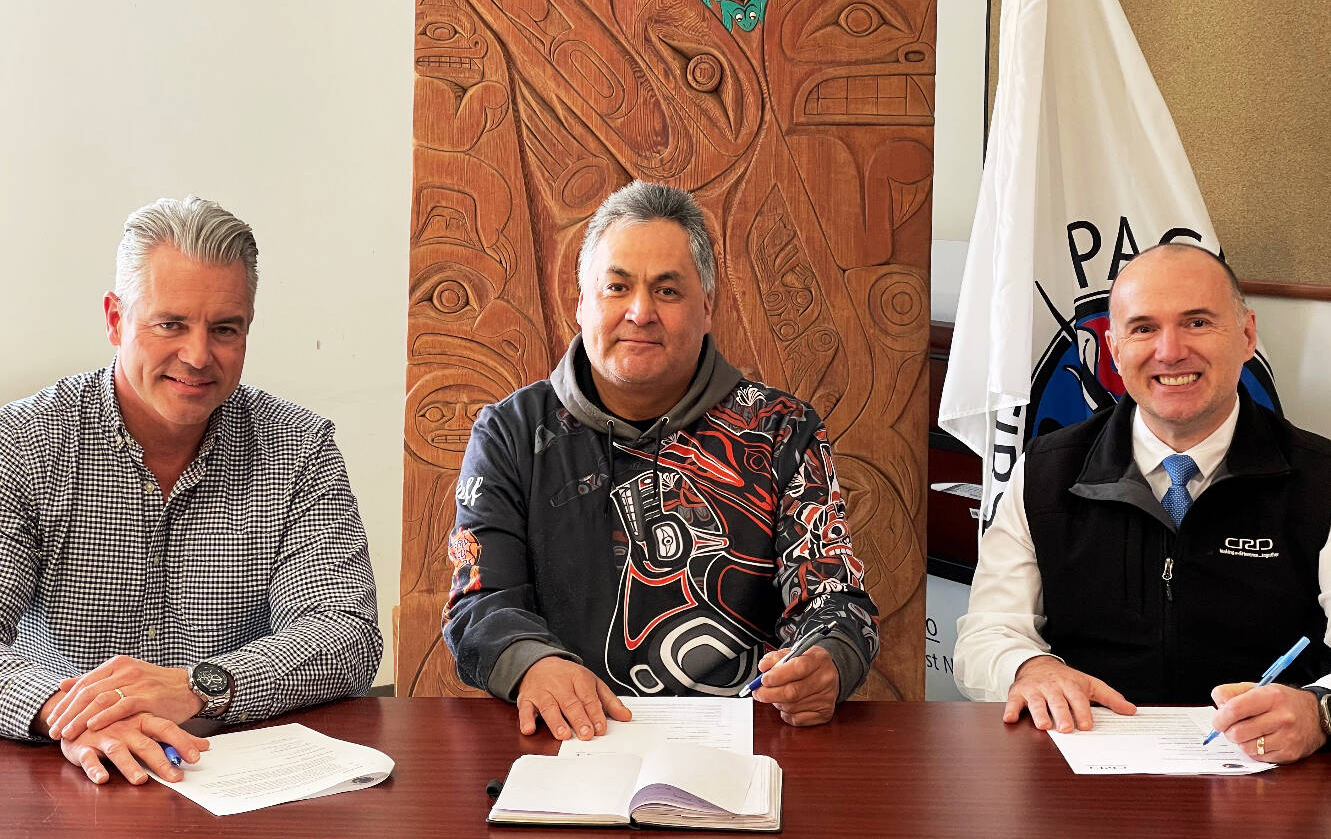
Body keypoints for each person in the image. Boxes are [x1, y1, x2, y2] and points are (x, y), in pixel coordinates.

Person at [443, 181, 879, 741]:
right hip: (567, 741)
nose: (640, 312)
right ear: (581, 304)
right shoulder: (512, 432)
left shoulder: (781, 429)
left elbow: (836, 596)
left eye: (668, 291)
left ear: (707, 310)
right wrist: (534, 664)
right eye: (616, 287)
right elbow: (477, 602)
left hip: (744, 743)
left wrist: (827, 660)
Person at [0, 196, 382, 784]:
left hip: (251, 774)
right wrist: (67, 710)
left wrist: (200, 687)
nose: (199, 355)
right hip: (75, 772)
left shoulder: (299, 446)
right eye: (170, 324)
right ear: (114, 320)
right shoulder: (25, 442)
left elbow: (346, 636)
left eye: (224, 329)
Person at [953, 243, 1331, 764]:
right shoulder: (1045, 469)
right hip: (1080, 771)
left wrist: (1320, 709)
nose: (1170, 351)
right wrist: (1027, 668)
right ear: (1113, 349)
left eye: (1197, 322)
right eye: (1143, 328)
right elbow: (985, 636)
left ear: (1246, 335)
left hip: (1269, 774)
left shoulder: (1321, 478)